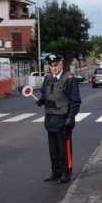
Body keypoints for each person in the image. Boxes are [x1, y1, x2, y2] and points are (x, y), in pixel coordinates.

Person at [34, 53, 81, 183]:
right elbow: (45, 94)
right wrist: (41, 100)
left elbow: (75, 101)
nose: (53, 68)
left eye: (56, 65)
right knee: (53, 149)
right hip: (50, 119)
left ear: (61, 64)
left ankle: (66, 173)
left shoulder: (69, 78)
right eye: (51, 65)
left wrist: (71, 118)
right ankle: (56, 172)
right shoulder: (48, 78)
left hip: (63, 119)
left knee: (64, 149)